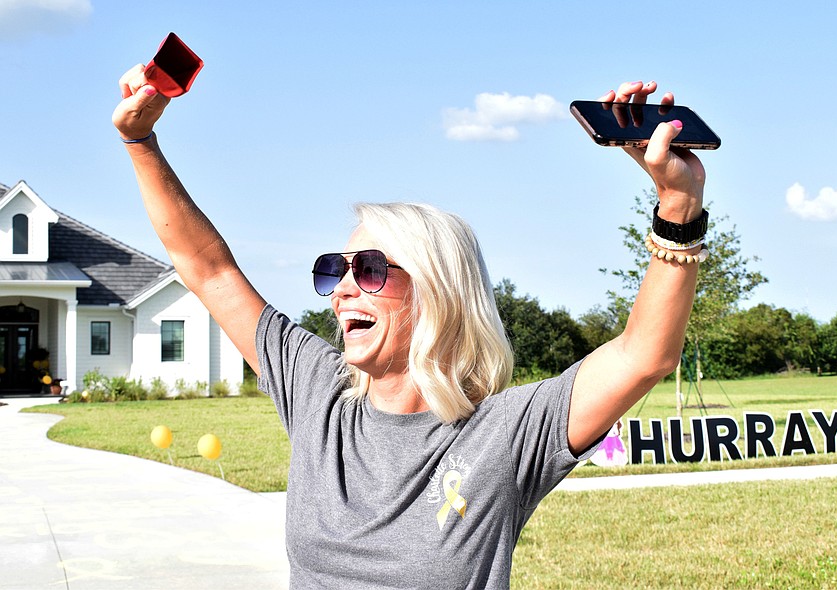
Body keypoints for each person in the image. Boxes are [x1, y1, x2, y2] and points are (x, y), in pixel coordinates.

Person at [113, 69, 706, 588]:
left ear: (437, 294)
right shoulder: (318, 392)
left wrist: (676, 207)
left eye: (369, 270)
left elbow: (644, 355)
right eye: (333, 271)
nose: (342, 288)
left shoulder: (503, 435)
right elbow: (209, 271)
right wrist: (140, 142)